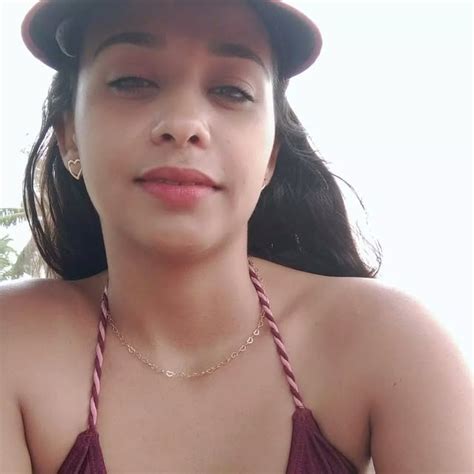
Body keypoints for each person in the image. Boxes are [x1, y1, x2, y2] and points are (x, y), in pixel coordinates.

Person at [1, 0, 472, 472]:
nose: (184, 125)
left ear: (271, 156)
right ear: (69, 135)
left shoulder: (388, 342)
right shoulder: (13, 344)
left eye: (232, 90)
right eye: (132, 81)